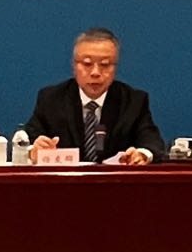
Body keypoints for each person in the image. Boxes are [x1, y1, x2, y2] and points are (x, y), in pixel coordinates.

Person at [24, 27, 161, 165]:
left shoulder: (134, 101)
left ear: (115, 67)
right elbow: (25, 140)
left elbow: (151, 142)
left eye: (105, 65)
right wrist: (32, 150)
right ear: (74, 65)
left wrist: (142, 154)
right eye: (87, 64)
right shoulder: (51, 99)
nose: (95, 72)